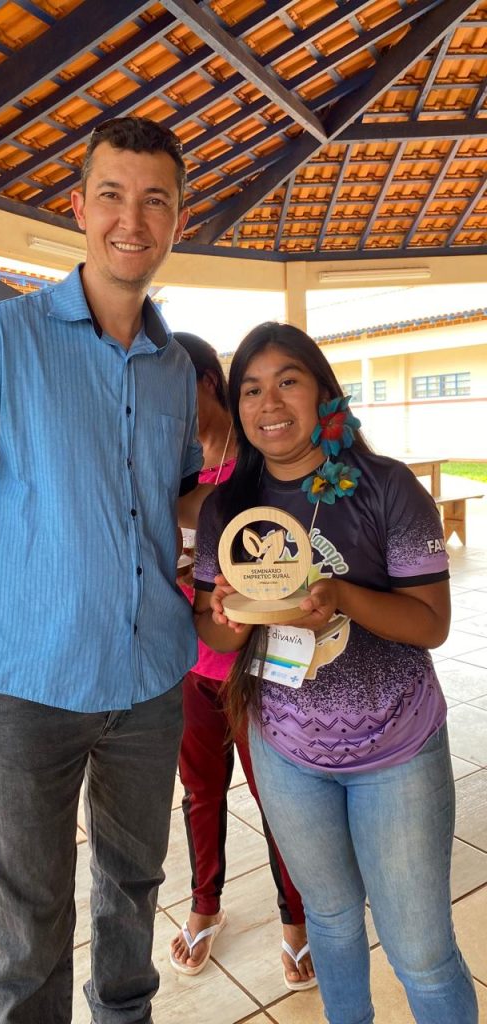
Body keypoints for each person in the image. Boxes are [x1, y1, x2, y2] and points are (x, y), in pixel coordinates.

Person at [0, 116, 203, 1024]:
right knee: (27, 923)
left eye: (155, 200)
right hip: (31, 689)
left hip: (151, 682)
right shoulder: (1, 339)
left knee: (133, 891)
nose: (132, 220)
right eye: (111, 195)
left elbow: (177, 504)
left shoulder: (175, 368)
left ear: (178, 219)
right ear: (78, 207)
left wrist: (270, 532)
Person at [191, 322, 478, 1024]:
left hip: (397, 749)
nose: (268, 403)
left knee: (420, 950)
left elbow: (431, 623)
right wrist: (230, 616)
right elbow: (210, 624)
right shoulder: (229, 507)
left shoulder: (387, 487)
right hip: (287, 749)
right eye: (250, 389)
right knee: (330, 919)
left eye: (287, 381)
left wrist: (342, 594)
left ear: (324, 392)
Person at [168, 333, 316, 990]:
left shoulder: (259, 456)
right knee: (200, 791)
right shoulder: (172, 460)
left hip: (259, 665)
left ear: (207, 381)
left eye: (171, 387)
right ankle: (205, 904)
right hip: (189, 660)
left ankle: (298, 919)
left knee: (277, 796)